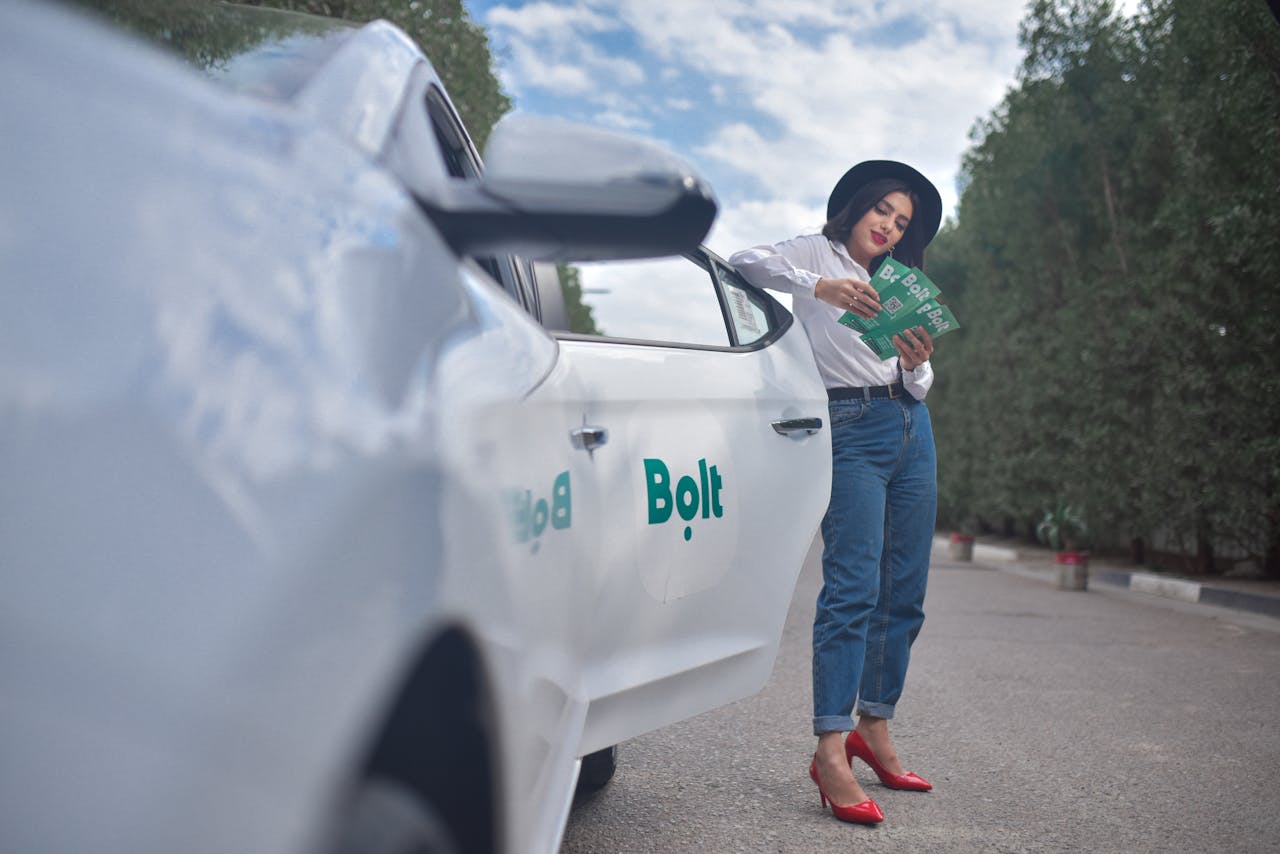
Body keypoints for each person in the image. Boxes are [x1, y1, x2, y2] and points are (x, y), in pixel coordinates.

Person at [729, 160, 943, 826]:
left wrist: (916, 362)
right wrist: (822, 286)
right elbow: (743, 260)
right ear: (855, 208)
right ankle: (829, 748)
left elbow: (921, 381)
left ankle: (873, 728)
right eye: (883, 209)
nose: (889, 225)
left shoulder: (901, 283)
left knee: (904, 589)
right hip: (849, 427)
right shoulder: (812, 253)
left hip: (912, 427)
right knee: (853, 587)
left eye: (902, 221)